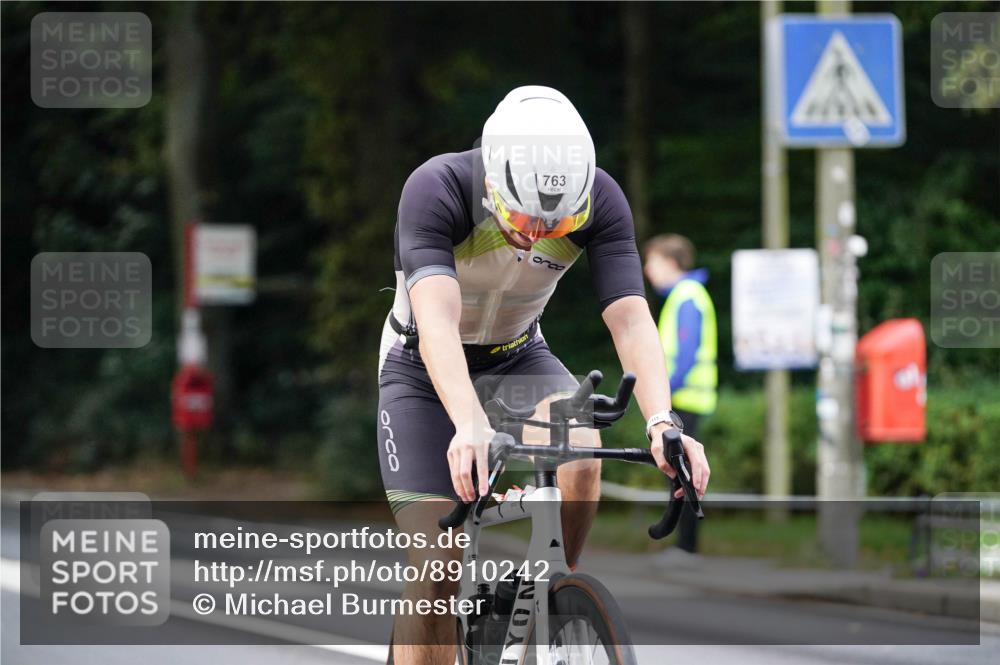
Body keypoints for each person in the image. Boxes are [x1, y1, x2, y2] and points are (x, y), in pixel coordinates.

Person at [377, 86, 710, 665]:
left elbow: (631, 319)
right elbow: (436, 322)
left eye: (553, 222)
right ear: (492, 184)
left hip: (518, 355)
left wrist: (662, 421)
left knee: (582, 449)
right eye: (523, 218)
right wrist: (468, 422)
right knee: (437, 568)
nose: (536, 234)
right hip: (422, 369)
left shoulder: (598, 198)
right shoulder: (437, 188)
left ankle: (553, 598)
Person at [643, 234, 718, 558]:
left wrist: (662, 394)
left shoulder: (687, 296)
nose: (648, 269)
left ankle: (687, 549)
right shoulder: (685, 295)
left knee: (683, 475)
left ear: (672, 263)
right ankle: (684, 547)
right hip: (685, 399)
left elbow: (686, 354)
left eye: (654, 261)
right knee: (680, 472)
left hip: (684, 399)